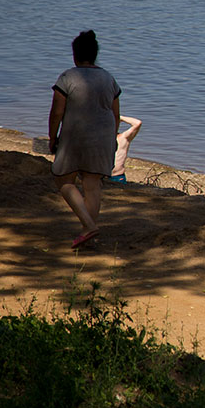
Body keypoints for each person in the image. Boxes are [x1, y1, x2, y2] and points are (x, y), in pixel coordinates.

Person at [47, 30, 121, 249]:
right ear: (95, 55)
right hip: (104, 134)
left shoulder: (68, 77)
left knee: (64, 180)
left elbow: (57, 112)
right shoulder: (108, 77)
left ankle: (88, 226)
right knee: (92, 183)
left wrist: (53, 137)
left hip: (77, 134)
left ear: (75, 55)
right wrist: (113, 137)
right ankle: (88, 232)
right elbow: (115, 112)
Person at [105, 115, 143, 185]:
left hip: (117, 176)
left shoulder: (123, 138)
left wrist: (120, 117)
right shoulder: (101, 138)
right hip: (102, 176)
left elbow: (137, 123)